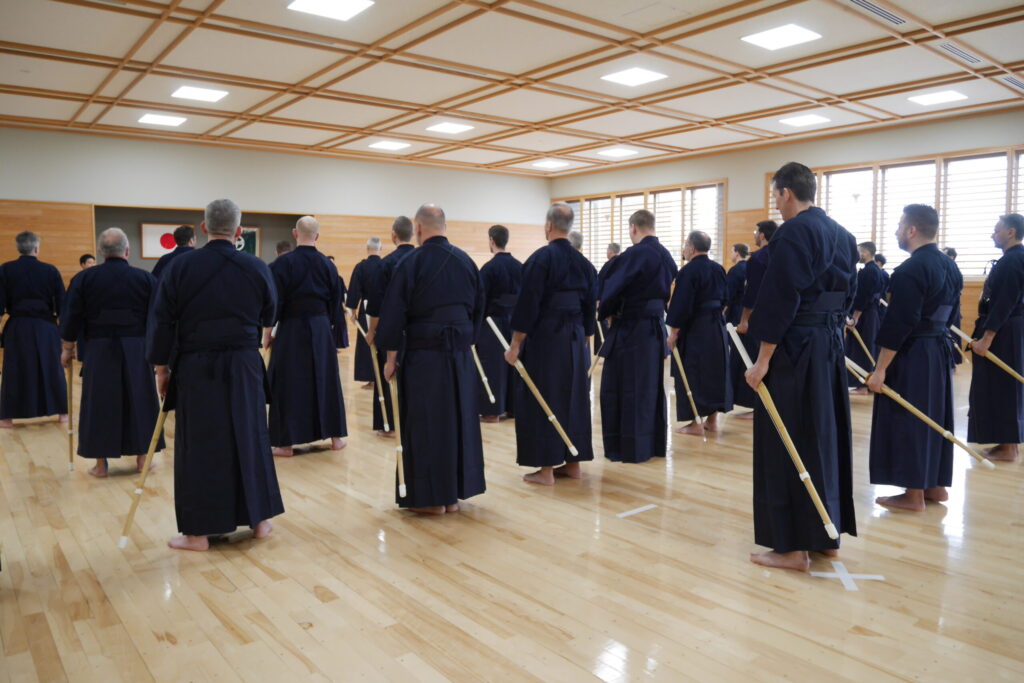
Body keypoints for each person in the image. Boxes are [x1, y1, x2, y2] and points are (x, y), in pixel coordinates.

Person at [147, 198, 283, 551]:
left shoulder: (180, 268)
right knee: (250, 435)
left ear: (204, 228)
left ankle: (198, 533)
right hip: (243, 362)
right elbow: (270, 313)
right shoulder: (256, 267)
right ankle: (259, 520)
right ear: (239, 231)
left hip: (196, 364)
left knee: (201, 443)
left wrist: (161, 368)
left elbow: (162, 320)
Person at [744, 161, 858, 571]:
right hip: (827, 346)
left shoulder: (793, 231)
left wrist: (762, 361)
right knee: (822, 436)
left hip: (794, 350)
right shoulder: (842, 235)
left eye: (776, 195)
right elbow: (851, 295)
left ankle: (791, 546)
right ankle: (826, 535)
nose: (777, 203)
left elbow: (781, 298)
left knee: (786, 436)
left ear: (785, 193)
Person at [377, 204, 486, 514]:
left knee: (426, 424)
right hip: (460, 356)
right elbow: (479, 307)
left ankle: (431, 499)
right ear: (444, 226)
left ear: (419, 228)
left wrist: (390, 357)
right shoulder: (466, 261)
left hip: (424, 356)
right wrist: (465, 341)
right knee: (457, 421)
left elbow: (395, 312)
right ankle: (452, 494)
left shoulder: (412, 263)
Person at [866, 205, 962, 510]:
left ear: (911, 230)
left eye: (898, 225)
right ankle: (934, 485)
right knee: (933, 415)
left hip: (913, 353)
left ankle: (913, 494)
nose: (896, 231)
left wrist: (880, 369)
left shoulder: (910, 270)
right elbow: (952, 316)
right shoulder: (949, 266)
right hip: (937, 348)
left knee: (909, 417)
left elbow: (899, 323)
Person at [59, 228, 164, 477]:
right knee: (140, 399)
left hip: (99, 348)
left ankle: (100, 464)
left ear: (100, 252)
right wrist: (160, 356)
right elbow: (159, 318)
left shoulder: (84, 279)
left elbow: (71, 316)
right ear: (127, 251)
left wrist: (67, 348)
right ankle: (142, 459)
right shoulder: (145, 279)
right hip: (138, 347)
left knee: (100, 402)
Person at [506, 203, 596, 485]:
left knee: (542, 396)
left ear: (548, 226)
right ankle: (573, 463)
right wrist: (584, 340)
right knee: (574, 397)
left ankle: (546, 470)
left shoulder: (540, 260)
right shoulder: (584, 264)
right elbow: (589, 309)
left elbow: (527, 306)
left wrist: (515, 344)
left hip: (546, 338)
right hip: (574, 338)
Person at [597, 210, 677, 463]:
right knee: (650, 387)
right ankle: (652, 445)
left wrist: (606, 313)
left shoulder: (635, 254)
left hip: (632, 329)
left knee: (623, 387)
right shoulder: (666, 255)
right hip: (655, 328)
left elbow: (612, 289)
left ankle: (629, 448)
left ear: (633, 228)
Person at [264, 216, 347, 457]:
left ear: (295, 233)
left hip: (291, 328)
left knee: (288, 381)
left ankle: (285, 444)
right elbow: (336, 304)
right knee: (325, 379)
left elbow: (273, 303)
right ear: (317, 236)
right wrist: (333, 334)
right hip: (321, 327)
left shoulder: (281, 265)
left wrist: (268, 333)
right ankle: (335, 439)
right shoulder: (328, 265)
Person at [967, 213, 1024, 462]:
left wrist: (987, 338)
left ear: (1010, 232)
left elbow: (1005, 303)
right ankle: (1007, 443)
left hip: (1005, 330)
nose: (993, 234)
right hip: (1010, 328)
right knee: (1002, 386)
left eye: (997, 229)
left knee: (1004, 386)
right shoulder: (1013, 259)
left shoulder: (1013, 261)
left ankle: (1009, 447)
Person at [666, 231, 733, 436]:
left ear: (692, 248)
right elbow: (726, 300)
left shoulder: (688, 272)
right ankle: (711, 421)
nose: (684, 248)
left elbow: (681, 305)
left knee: (693, 373)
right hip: (717, 327)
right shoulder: (718, 269)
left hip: (696, 328)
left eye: (685, 244)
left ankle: (696, 424)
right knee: (714, 372)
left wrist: (673, 333)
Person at [0, 231, 67, 428]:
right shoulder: (50, 271)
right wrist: (65, 335)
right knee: (52, 367)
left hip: (17, 326)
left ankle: (6, 417)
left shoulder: (5, 270)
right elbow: (62, 305)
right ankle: (62, 413)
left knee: (13, 369)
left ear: (18, 248)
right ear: (36, 248)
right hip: (46, 326)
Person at [366, 216, 415, 437]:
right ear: (412, 233)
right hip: (417, 330)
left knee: (389, 372)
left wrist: (372, 330)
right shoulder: (420, 260)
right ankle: (412, 423)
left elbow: (376, 304)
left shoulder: (386, 263)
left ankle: (390, 425)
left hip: (390, 327)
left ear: (393, 235)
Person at [477, 224, 523, 423]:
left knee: (492, 365)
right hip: (514, 320)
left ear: (491, 241)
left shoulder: (489, 269)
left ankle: (492, 411)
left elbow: (480, 299)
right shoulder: (520, 266)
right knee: (514, 362)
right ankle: (512, 408)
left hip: (492, 322)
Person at [734, 221, 777, 413]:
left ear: (762, 235)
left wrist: (744, 320)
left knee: (755, 360)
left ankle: (757, 405)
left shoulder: (759, 258)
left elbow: (752, 293)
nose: (754, 235)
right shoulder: (781, 254)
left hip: (760, 316)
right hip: (781, 316)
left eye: (755, 232)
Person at [846, 241, 886, 394]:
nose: (858, 255)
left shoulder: (869, 271)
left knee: (862, 348)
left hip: (866, 315)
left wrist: (855, 317)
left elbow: (865, 296)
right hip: (870, 314)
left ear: (866, 252)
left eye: (859, 251)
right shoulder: (874, 270)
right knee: (864, 347)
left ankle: (863, 385)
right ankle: (863, 383)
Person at [347, 237, 384, 388]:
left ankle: (370, 380)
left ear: (367, 248)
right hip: (383, 311)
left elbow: (354, 291)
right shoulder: (385, 265)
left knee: (366, 344)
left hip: (366, 311)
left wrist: (353, 311)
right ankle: (381, 378)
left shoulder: (361, 267)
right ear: (380, 249)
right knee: (381, 343)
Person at [725, 243, 753, 411]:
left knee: (739, 356)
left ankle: (745, 397)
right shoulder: (752, 267)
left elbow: (727, 297)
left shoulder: (735, 271)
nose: (731, 254)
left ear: (736, 253)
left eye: (731, 251)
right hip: (753, 316)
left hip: (738, 316)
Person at [594, 242, 621, 355]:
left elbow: (600, 283)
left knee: (604, 327)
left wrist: (598, 299)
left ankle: (604, 351)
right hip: (619, 302)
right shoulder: (623, 263)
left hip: (606, 300)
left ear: (610, 251)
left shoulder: (609, 265)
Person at [74, 253, 96, 365]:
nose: (92, 265)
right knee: (84, 344)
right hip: (83, 317)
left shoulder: (99, 276)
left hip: (96, 316)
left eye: (93, 262)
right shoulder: (78, 279)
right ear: (82, 265)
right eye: (89, 262)